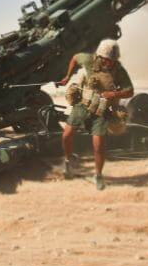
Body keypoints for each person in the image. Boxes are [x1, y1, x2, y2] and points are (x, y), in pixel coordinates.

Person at [56, 39, 134, 190]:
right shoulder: (89, 60)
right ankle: (68, 161)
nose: (110, 63)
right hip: (83, 105)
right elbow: (75, 58)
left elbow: (130, 91)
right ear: (100, 57)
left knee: (98, 146)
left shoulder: (119, 70)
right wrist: (67, 77)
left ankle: (98, 175)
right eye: (107, 60)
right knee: (66, 135)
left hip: (101, 111)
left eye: (113, 60)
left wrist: (113, 94)